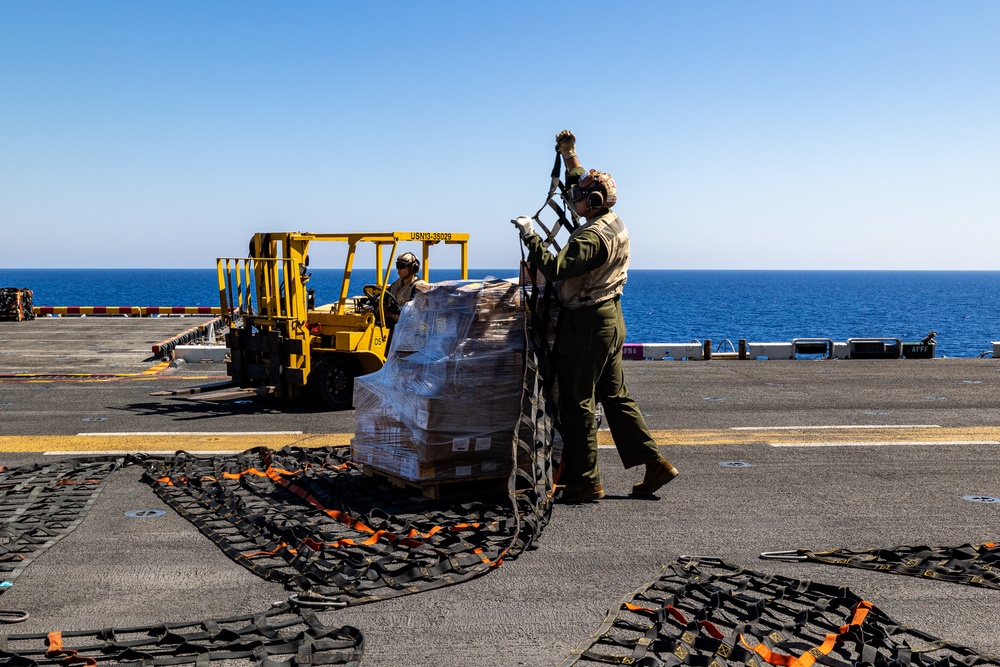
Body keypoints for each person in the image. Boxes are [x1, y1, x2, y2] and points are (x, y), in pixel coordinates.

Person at [511, 130, 678, 503]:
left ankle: (587, 481)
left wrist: (530, 236)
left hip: (586, 325)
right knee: (615, 397)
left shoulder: (590, 239)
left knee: (577, 401)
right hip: (611, 319)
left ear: (594, 201)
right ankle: (655, 464)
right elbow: (580, 182)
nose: (572, 201)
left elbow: (554, 267)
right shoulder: (613, 222)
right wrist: (570, 156)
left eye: (578, 197)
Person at [386, 251, 423, 325]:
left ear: (413, 267)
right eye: (397, 265)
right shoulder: (397, 283)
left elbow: (416, 312)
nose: (398, 269)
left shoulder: (418, 286)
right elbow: (386, 295)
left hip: (406, 328)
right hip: (394, 323)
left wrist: (398, 310)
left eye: (402, 266)